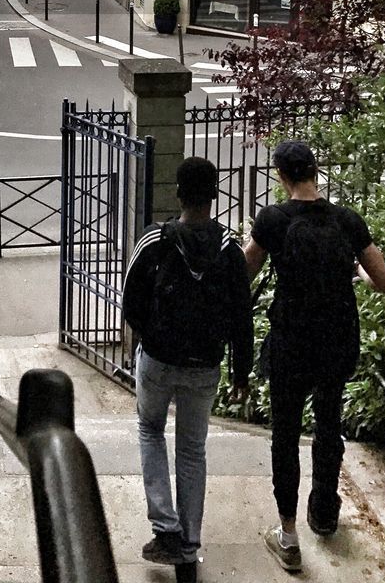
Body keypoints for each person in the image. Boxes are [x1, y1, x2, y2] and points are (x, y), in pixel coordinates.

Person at [244, 141, 385, 573]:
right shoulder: (346, 220)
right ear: (315, 171)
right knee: (329, 424)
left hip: (292, 340)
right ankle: (325, 511)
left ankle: (288, 535)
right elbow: (384, 282)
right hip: (336, 340)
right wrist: (358, 273)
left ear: (281, 176)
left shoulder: (273, 219)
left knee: (286, 433)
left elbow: (243, 273)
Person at [123, 157, 253, 583]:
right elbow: (241, 316)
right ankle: (189, 546)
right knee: (193, 449)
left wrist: (149, 341)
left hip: (159, 359)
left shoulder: (156, 242)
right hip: (205, 364)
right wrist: (240, 373)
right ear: (214, 195)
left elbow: (130, 303)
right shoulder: (231, 249)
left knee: (150, 431)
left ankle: (166, 528)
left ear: (179, 193)